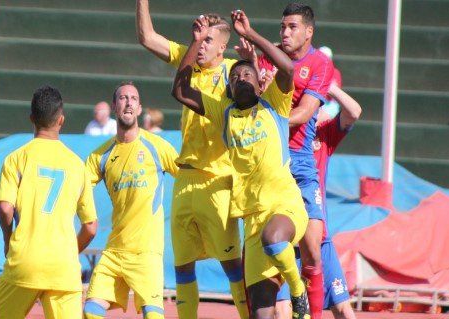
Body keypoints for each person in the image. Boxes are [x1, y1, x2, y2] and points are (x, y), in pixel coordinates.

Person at [173, 10, 310, 319]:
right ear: (229, 90)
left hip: (284, 206)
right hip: (252, 221)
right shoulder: (224, 113)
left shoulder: (273, 104)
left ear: (260, 84)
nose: (240, 78)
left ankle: (298, 290)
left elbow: (288, 67)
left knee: (274, 240)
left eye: (246, 74)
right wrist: (195, 44)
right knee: (260, 314)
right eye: (234, 78)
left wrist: (250, 35)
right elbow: (181, 91)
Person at [137, 1, 255, 317]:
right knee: (183, 265)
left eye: (207, 42)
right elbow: (148, 37)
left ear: (223, 47)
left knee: (231, 264)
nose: (200, 46)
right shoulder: (190, 63)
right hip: (184, 178)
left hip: (218, 180)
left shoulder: (232, 71)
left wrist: (253, 59)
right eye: (198, 39)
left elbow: (259, 88)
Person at [0, 85, 98, 319]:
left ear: (32, 118)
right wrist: (70, 252)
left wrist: (7, 240)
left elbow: (5, 208)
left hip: (24, 261)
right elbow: (90, 227)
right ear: (61, 120)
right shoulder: (76, 165)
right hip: (63, 268)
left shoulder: (16, 159)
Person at [257, 4, 335, 317]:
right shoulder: (268, 56)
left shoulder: (320, 63)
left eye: (292, 27)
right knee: (266, 252)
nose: (285, 33)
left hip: (301, 161)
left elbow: (303, 113)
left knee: (312, 247)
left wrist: (265, 118)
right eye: (282, 27)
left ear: (308, 31)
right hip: (268, 161)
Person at [83, 81, 178, 319]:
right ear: (115, 107)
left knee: (153, 316)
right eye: (123, 98)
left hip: (146, 252)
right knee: (91, 313)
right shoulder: (100, 156)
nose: (128, 102)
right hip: (114, 250)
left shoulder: (157, 146)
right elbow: (77, 187)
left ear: (139, 108)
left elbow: (188, 174)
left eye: (133, 99)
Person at [276, 83, 362, 319]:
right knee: (281, 307)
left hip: (319, 240)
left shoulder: (323, 135)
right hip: (285, 240)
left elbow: (354, 112)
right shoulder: (276, 136)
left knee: (343, 307)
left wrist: (329, 88)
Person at [317, 46, 343, 120]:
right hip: (315, 102)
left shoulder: (335, 72)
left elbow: (332, 95)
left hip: (330, 105)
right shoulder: (313, 70)